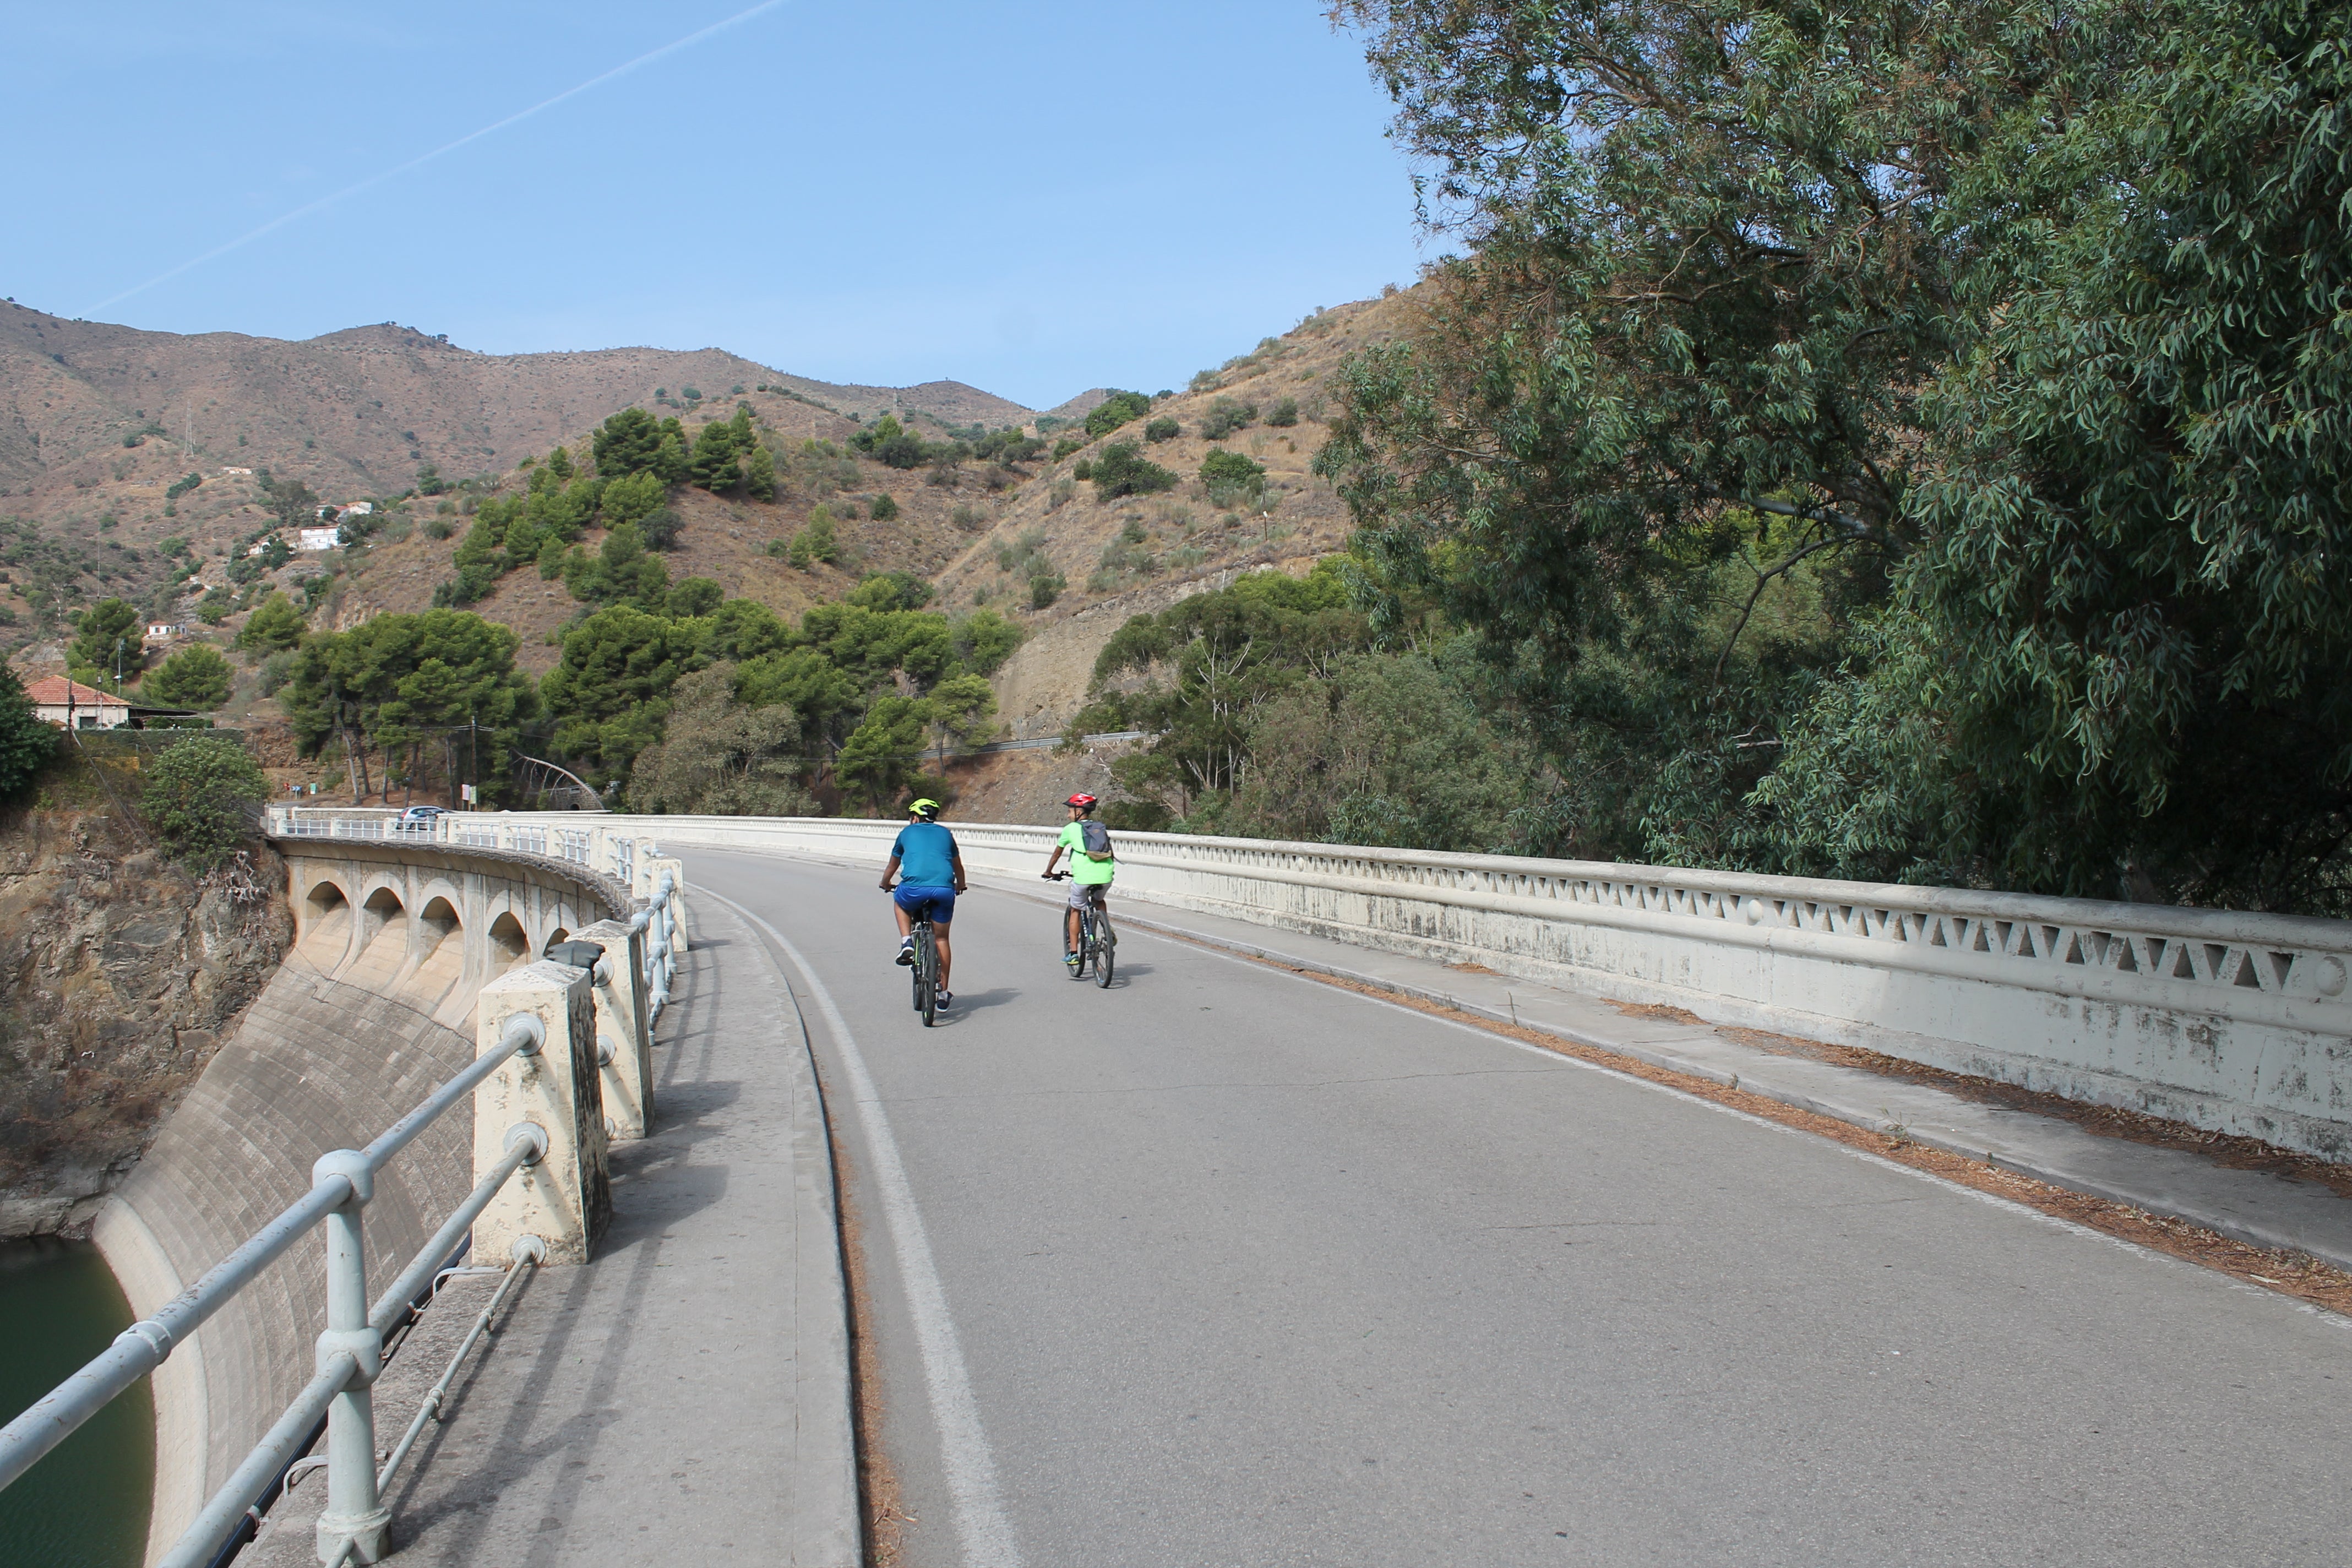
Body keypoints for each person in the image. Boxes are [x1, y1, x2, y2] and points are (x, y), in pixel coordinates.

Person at [880, 798, 966, 1006]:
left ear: (915, 817)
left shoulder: (906, 833)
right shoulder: (945, 833)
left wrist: (885, 883)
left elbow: (893, 865)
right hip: (944, 890)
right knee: (942, 939)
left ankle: (907, 941)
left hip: (913, 889)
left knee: (900, 902)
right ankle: (944, 993)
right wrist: (960, 885)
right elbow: (958, 866)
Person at [1042, 792, 1115, 969]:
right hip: (1106, 875)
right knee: (1098, 900)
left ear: (1079, 811)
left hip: (1083, 878)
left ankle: (1074, 954)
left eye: (1070, 810)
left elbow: (1057, 853)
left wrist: (1049, 871)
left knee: (1076, 909)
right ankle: (1107, 931)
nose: (1068, 815)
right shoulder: (1100, 828)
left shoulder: (1070, 829)